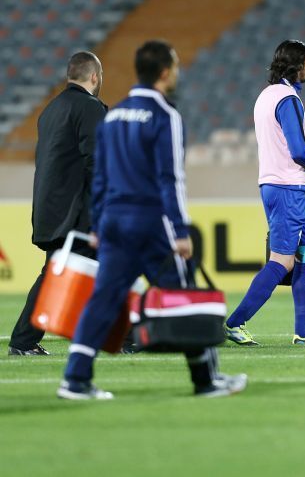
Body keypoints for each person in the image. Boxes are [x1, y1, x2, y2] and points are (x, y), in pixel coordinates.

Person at [57, 40, 246, 399]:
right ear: (164, 72)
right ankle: (206, 379)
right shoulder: (165, 116)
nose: (176, 73)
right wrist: (180, 231)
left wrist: (96, 225)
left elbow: (100, 177)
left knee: (104, 298)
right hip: (149, 222)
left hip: (113, 221)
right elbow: (170, 179)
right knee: (182, 293)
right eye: (174, 66)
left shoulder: (113, 115)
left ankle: (75, 379)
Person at [223, 40, 305, 346]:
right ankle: (234, 323)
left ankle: (303, 333)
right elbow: (298, 151)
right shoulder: (288, 98)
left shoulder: (266, 96)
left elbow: (283, 140)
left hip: (273, 184)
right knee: (283, 261)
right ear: (298, 66)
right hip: (288, 188)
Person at [8, 52, 106, 356]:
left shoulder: (51, 109)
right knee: (105, 267)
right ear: (94, 77)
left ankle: (24, 341)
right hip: (78, 209)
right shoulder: (90, 108)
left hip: (53, 207)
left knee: (60, 272)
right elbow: (97, 162)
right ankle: (127, 336)